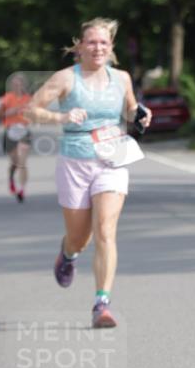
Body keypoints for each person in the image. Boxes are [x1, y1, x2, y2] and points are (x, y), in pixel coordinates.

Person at [27, 18, 151, 328]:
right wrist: (62, 116)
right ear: (80, 46)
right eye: (92, 42)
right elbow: (31, 109)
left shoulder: (121, 78)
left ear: (111, 49)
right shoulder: (66, 78)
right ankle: (67, 255)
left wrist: (141, 116)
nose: (98, 48)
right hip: (75, 162)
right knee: (80, 238)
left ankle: (101, 303)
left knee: (106, 230)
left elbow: (130, 109)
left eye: (104, 43)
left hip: (112, 161)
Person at [0, 73, 32, 202]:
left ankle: (22, 189)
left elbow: (36, 115)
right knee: (15, 162)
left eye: (20, 83)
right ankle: (11, 179)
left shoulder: (29, 99)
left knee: (22, 163)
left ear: (23, 85)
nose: (17, 86)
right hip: (10, 131)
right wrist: (10, 112)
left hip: (24, 131)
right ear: (11, 85)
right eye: (15, 83)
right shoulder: (7, 98)